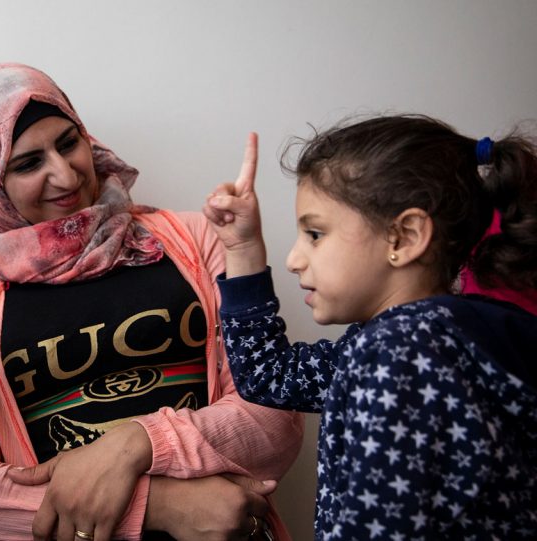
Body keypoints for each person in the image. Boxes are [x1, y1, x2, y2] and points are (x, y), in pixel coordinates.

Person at [0, 62, 304, 541]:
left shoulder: (195, 240)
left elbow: (274, 416)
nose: (65, 173)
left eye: (68, 142)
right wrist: (159, 506)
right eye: (27, 163)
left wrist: (137, 444)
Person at [203, 116, 537, 539]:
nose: (294, 259)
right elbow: (269, 376)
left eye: (315, 234)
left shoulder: (400, 351)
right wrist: (244, 247)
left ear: (403, 237)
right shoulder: (408, 341)